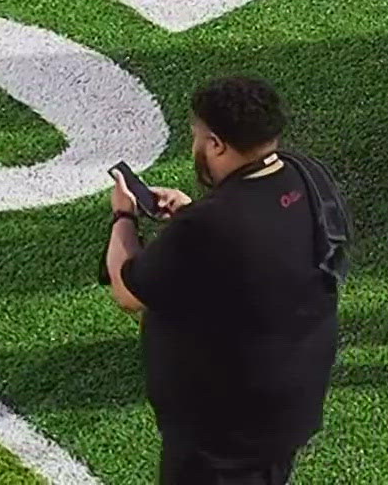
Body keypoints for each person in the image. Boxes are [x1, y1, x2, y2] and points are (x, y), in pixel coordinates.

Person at [105, 77, 348, 485]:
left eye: (198, 136)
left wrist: (123, 217)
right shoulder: (307, 174)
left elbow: (128, 292)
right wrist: (192, 211)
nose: (196, 145)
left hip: (222, 437)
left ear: (217, 143)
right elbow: (263, 235)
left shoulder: (207, 227)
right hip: (292, 404)